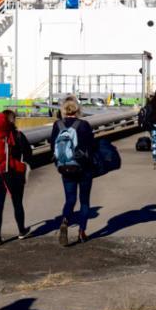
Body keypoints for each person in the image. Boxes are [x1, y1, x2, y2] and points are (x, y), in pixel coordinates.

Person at [51, 95, 95, 245]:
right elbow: (92, 146)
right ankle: (82, 232)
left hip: (65, 167)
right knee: (84, 201)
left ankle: (65, 220)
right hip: (83, 168)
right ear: (77, 109)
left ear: (63, 110)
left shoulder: (57, 125)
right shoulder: (84, 125)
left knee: (70, 199)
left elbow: (52, 146)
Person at [0, 110, 33, 246]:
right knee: (17, 203)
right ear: (13, 120)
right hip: (14, 173)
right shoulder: (18, 135)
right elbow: (28, 153)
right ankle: (21, 231)